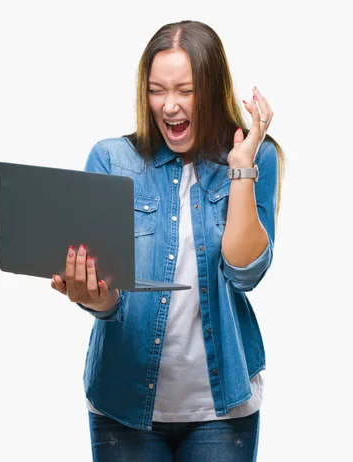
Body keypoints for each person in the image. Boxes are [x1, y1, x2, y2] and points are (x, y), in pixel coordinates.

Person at [51, 19, 285, 462]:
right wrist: (93, 297)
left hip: (223, 407)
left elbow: (245, 272)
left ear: (213, 90)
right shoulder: (111, 159)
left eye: (186, 90)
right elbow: (109, 301)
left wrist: (241, 167)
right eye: (157, 90)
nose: (170, 106)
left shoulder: (256, 158)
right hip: (122, 403)